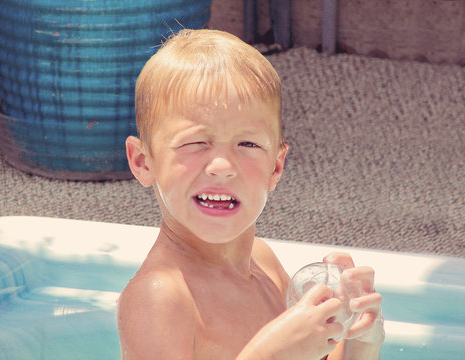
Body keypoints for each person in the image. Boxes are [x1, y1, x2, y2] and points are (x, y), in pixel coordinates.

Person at [117, 28, 384, 360]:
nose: (221, 165)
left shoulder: (266, 264)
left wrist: (359, 337)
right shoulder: (160, 298)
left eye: (247, 144)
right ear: (143, 161)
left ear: (276, 167)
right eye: (195, 143)